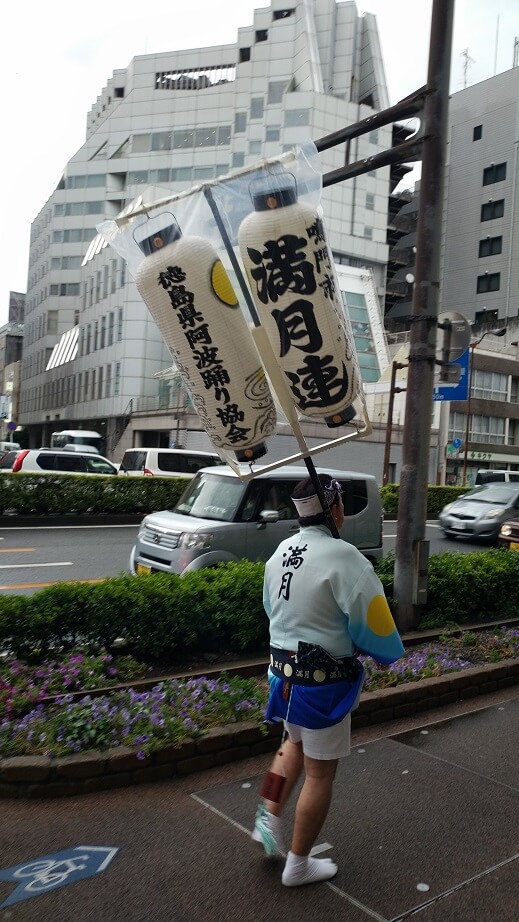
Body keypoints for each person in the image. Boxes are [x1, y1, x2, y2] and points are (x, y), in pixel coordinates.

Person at [252, 472, 404, 887]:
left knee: (291, 745)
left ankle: (267, 815)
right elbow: (374, 625)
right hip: (322, 683)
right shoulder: (345, 557)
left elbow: (272, 609)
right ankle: (298, 866)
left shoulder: (280, 552)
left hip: (281, 676)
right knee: (319, 775)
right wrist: (385, 653)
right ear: (335, 509)